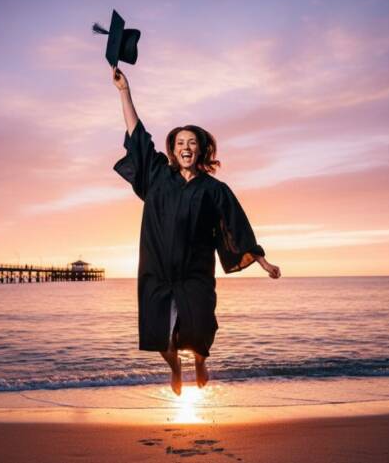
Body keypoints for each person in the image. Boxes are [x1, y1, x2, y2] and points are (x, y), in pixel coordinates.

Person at [111, 66, 281, 396]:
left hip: (195, 274)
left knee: (201, 328)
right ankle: (175, 367)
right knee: (160, 333)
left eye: (192, 142)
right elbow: (137, 136)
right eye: (179, 142)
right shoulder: (158, 176)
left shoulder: (214, 189)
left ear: (201, 149)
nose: (186, 147)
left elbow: (236, 223)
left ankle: (200, 361)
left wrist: (261, 260)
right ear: (173, 150)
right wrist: (124, 92)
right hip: (157, 271)